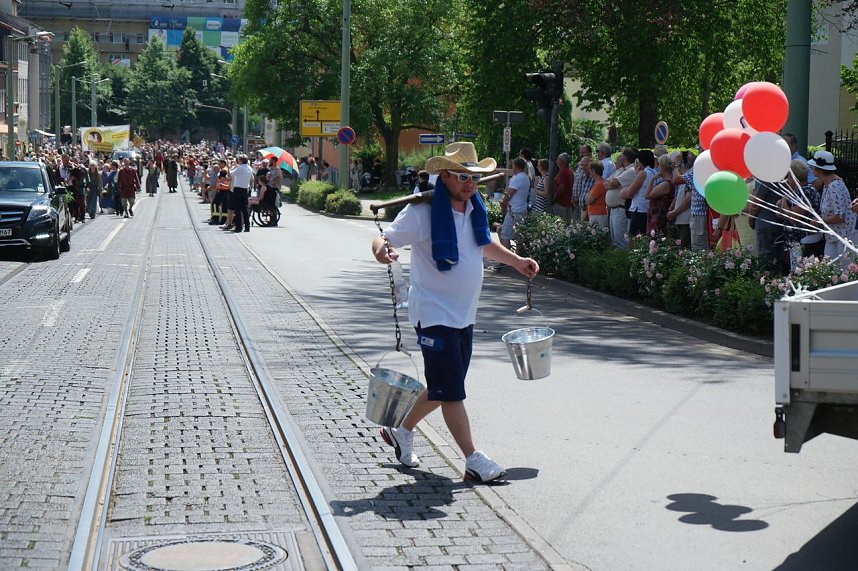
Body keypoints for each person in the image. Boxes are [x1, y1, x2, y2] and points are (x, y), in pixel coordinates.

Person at [371, 142, 539, 482]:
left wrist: (518, 262)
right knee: (452, 390)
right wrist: (382, 253)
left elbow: (485, 244)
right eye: (462, 176)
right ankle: (473, 458)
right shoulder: (422, 212)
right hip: (433, 313)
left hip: (464, 314)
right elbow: (383, 238)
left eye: (474, 177)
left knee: (443, 385)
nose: (469, 183)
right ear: (444, 176)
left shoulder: (474, 208)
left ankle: (402, 431)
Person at [809, 150, 856, 266]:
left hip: (845, 236)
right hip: (833, 235)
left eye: (814, 167)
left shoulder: (835, 186)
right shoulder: (827, 185)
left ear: (819, 170)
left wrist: (819, 221)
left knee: (846, 271)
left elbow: (840, 216)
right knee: (828, 267)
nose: (811, 168)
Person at [604, 148, 637, 249]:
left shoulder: (631, 170)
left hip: (620, 209)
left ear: (625, 157)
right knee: (614, 240)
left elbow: (613, 183)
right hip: (613, 209)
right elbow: (605, 183)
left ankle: (622, 262)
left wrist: (614, 184)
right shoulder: (621, 170)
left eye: (621, 155)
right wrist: (613, 185)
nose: (619, 157)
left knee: (621, 241)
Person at [623, 149, 656, 245]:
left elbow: (629, 192)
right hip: (648, 208)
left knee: (633, 238)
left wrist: (622, 192)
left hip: (639, 209)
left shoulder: (643, 173)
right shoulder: (654, 172)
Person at [498, 157, 530, 248]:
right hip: (521, 209)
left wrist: (503, 206)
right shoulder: (525, 177)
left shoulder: (518, 178)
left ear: (515, 166)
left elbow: (509, 194)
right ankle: (518, 256)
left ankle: (507, 259)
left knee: (504, 234)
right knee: (518, 236)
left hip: (514, 211)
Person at [666, 151, 692, 247]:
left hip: (686, 219)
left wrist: (675, 211)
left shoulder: (689, 175)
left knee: (685, 249)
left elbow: (688, 199)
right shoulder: (684, 176)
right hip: (682, 219)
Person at [645, 154, 674, 237]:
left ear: (662, 167)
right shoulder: (670, 181)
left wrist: (652, 179)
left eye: (658, 165)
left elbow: (647, 195)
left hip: (659, 216)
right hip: (660, 215)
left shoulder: (666, 184)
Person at [230, 154, 254, 233]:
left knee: (237, 209)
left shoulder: (240, 168)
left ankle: (238, 227)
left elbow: (231, 173)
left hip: (238, 189)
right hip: (245, 189)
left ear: (241, 160)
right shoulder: (249, 168)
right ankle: (247, 226)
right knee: (244, 208)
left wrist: (234, 166)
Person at [585, 160, 608, 229]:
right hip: (597, 213)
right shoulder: (599, 182)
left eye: (590, 169)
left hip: (598, 214)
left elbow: (588, 201)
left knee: (597, 235)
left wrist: (587, 196)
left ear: (594, 170)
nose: (589, 171)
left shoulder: (599, 184)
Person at [552, 152, 574, 223]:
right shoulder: (570, 172)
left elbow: (562, 188)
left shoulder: (563, 172)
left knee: (559, 225)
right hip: (568, 203)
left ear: (562, 161)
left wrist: (555, 199)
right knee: (567, 225)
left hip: (561, 203)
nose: (556, 161)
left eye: (557, 159)